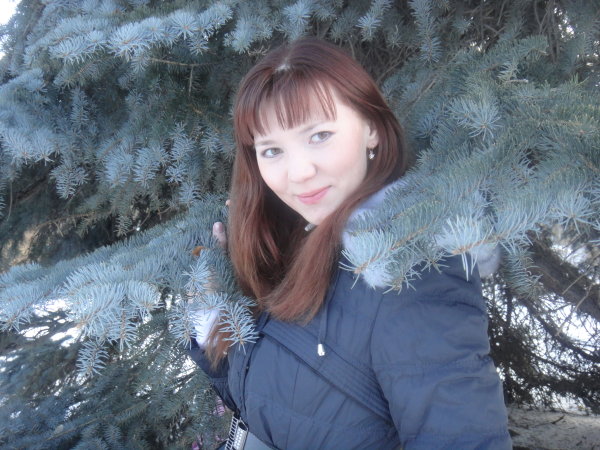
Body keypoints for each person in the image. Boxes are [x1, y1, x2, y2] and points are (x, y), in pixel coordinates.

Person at [189, 37, 512, 449]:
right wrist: (213, 319)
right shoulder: (302, 243)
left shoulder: (409, 273)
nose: (299, 172)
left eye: (319, 135)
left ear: (371, 129)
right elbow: (270, 401)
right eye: (271, 150)